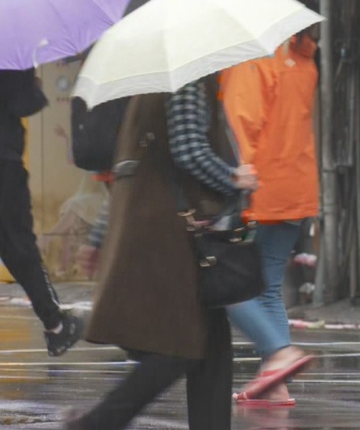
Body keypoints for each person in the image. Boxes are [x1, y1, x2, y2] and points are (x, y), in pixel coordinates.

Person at [67, 76, 258, 429]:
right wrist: (234, 178)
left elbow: (126, 167)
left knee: (211, 345)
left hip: (153, 228)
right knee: (177, 346)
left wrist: (98, 237)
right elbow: (189, 150)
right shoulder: (187, 82)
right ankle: (98, 422)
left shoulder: (144, 93)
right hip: (169, 236)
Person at [220, 19, 320, 406]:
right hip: (294, 188)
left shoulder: (253, 58)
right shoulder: (302, 58)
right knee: (268, 287)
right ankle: (275, 381)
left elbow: (240, 125)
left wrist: (229, 182)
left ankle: (279, 354)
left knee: (227, 282)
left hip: (259, 190)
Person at [0, 69, 84, 356]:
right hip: (4, 164)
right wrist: (32, 81)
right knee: (19, 248)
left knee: (15, 248)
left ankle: (55, 322)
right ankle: (56, 324)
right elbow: (21, 102)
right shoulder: (8, 47)